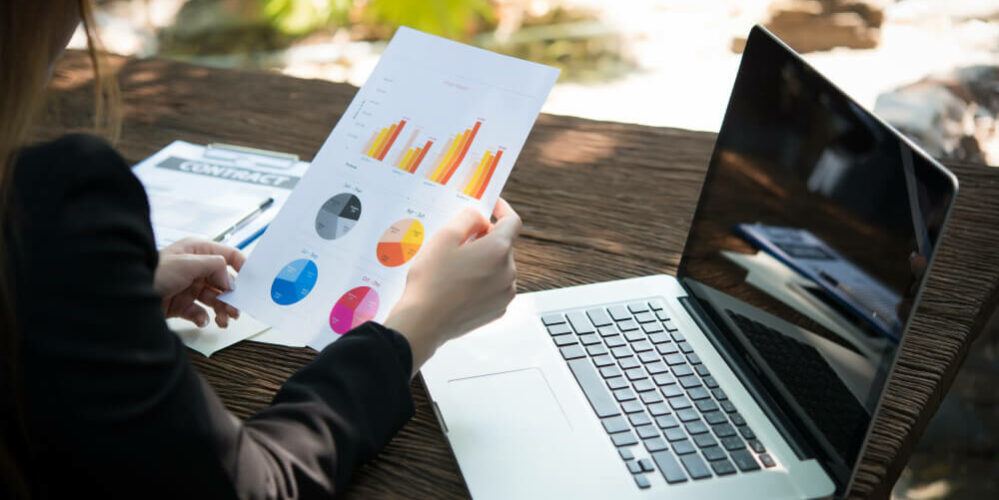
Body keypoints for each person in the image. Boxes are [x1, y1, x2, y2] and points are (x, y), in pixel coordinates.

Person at [0, 1, 521, 498]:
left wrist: (95, 295)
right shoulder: (52, 201)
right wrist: (418, 327)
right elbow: (256, 484)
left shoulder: (40, 229)